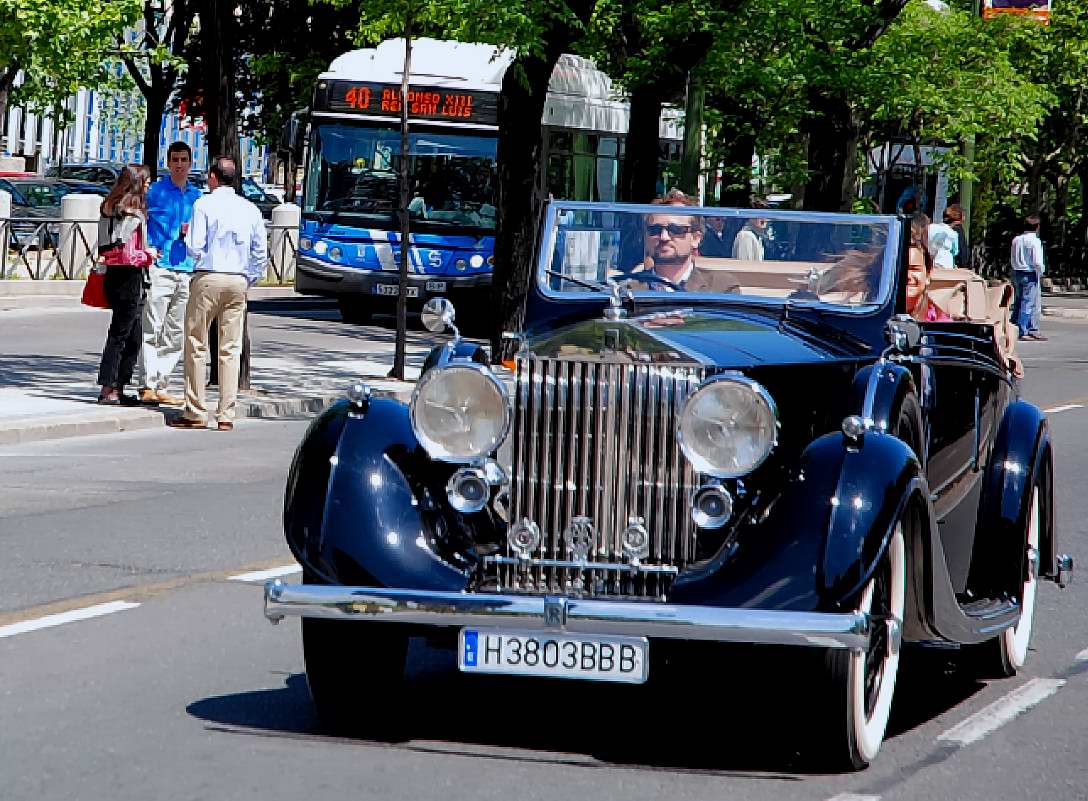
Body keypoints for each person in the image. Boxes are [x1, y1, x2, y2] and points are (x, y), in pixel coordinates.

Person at [168, 155, 267, 431]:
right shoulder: (250, 209)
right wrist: (249, 278)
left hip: (208, 277)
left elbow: (195, 245)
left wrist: (191, 244)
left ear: (213, 176)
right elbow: (260, 251)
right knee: (230, 348)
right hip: (238, 280)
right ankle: (226, 413)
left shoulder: (204, 204)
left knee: (196, 342)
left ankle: (196, 410)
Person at [136, 141, 203, 406]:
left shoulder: (197, 197)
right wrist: (148, 250)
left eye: (183, 160)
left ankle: (162, 381)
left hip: (186, 268)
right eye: (174, 160)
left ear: (190, 163)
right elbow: (139, 222)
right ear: (168, 162)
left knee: (175, 331)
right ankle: (147, 384)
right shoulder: (154, 192)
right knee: (152, 325)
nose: (178, 165)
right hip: (160, 267)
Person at [95, 165, 156, 405]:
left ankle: (115, 387)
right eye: (147, 181)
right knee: (124, 334)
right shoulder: (133, 214)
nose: (149, 185)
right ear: (138, 183)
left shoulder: (108, 208)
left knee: (129, 333)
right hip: (130, 276)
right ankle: (111, 388)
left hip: (112, 274)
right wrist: (149, 254)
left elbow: (106, 246)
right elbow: (130, 254)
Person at [906, 214, 952, 322]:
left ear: (927, 273)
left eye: (914, 269)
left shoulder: (940, 323)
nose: (907, 276)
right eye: (901, 270)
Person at [1010, 214, 1046, 341]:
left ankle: (1013, 325)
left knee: (1018, 301)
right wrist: (1041, 272)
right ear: (1037, 227)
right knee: (1029, 302)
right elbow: (1037, 261)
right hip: (1029, 272)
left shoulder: (1016, 239)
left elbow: (1013, 257)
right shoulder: (1035, 241)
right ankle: (1023, 329)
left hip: (1017, 271)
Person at [944, 204, 968, 268]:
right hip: (952, 264)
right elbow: (962, 248)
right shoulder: (958, 228)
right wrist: (964, 265)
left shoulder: (944, 226)